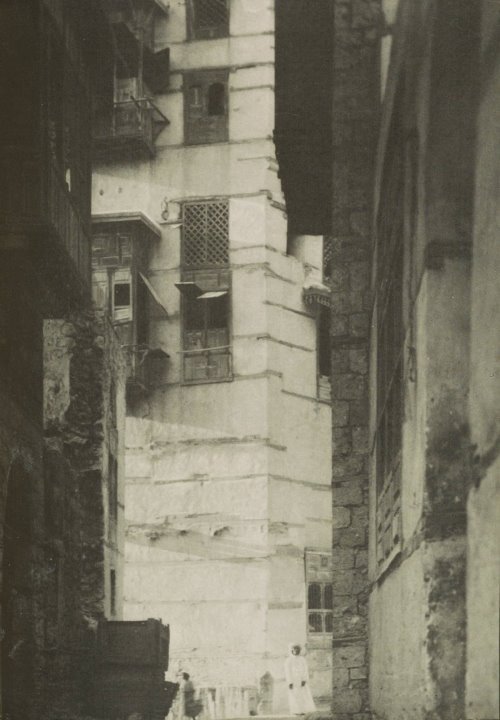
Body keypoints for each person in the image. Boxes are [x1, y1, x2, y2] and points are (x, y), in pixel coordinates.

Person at [284, 644, 316, 715]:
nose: (296, 651)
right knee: (294, 695)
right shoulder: (288, 660)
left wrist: (304, 679)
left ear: (299, 651)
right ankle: (296, 711)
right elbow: (287, 672)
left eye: (297, 649)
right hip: (293, 681)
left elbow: (305, 670)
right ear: (292, 650)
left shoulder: (302, 659)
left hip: (301, 680)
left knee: (303, 695)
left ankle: (303, 710)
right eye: (294, 649)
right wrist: (290, 682)